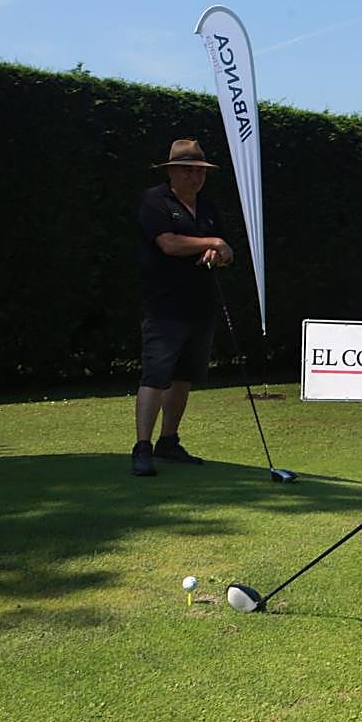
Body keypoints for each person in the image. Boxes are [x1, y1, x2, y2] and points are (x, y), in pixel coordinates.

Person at [131, 138, 234, 477]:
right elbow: (169, 243)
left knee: (184, 378)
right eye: (188, 171)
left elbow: (224, 250)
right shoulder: (155, 201)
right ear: (172, 172)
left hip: (200, 305)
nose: (195, 177)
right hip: (164, 306)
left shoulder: (208, 207)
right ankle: (142, 447)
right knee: (156, 376)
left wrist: (219, 252)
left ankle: (168, 441)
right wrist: (212, 243)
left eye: (200, 171)